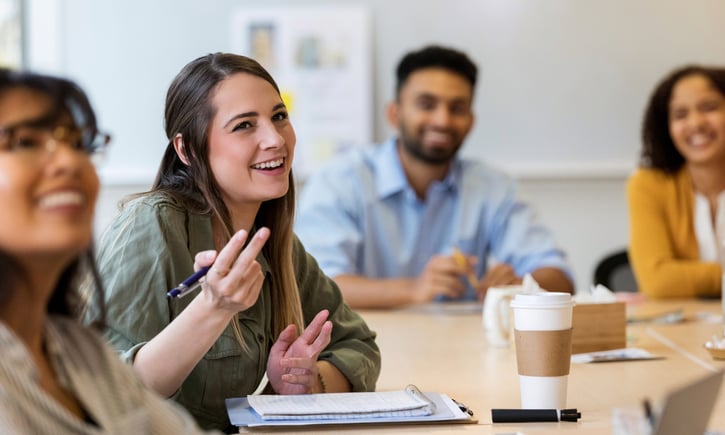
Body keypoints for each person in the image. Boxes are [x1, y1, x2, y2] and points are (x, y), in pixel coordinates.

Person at [88, 53, 381, 432]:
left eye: (279, 116)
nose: (275, 139)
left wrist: (309, 381)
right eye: (244, 125)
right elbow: (105, 390)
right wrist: (212, 309)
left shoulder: (278, 246)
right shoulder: (151, 226)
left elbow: (359, 346)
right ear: (187, 150)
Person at [0, 70, 217, 433]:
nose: (69, 162)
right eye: (25, 142)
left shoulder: (79, 351)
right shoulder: (153, 219)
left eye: (78, 143)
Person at [295, 45, 574, 309]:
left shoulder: (492, 187)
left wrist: (519, 286)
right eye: (426, 104)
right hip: (365, 350)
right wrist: (414, 289)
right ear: (395, 113)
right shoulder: (339, 182)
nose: (442, 120)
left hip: (463, 350)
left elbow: (560, 277)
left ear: (471, 121)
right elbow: (315, 287)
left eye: (457, 108)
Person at [627, 65, 725, 298]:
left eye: (709, 108)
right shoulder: (648, 185)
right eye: (680, 115)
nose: (696, 123)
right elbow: (658, 281)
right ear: (667, 128)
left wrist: (690, 277)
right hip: (677, 329)